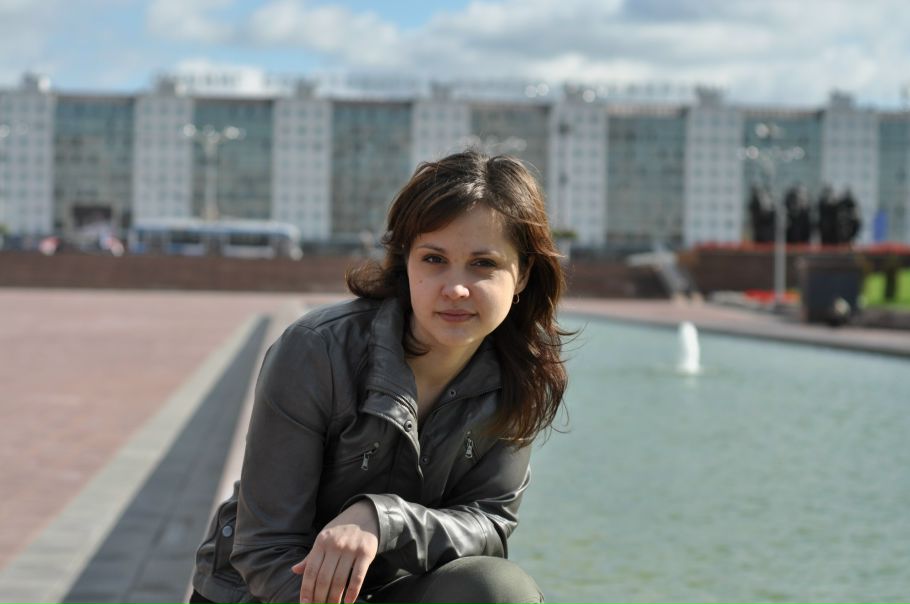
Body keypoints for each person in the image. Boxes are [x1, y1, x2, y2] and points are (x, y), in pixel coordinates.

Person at [190, 150, 570, 604]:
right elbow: (265, 548)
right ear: (405, 261)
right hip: (265, 591)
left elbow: (489, 522)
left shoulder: (519, 373)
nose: (455, 288)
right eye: (434, 259)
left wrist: (383, 519)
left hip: (391, 588)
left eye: (483, 263)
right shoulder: (318, 350)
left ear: (523, 274)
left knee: (498, 589)